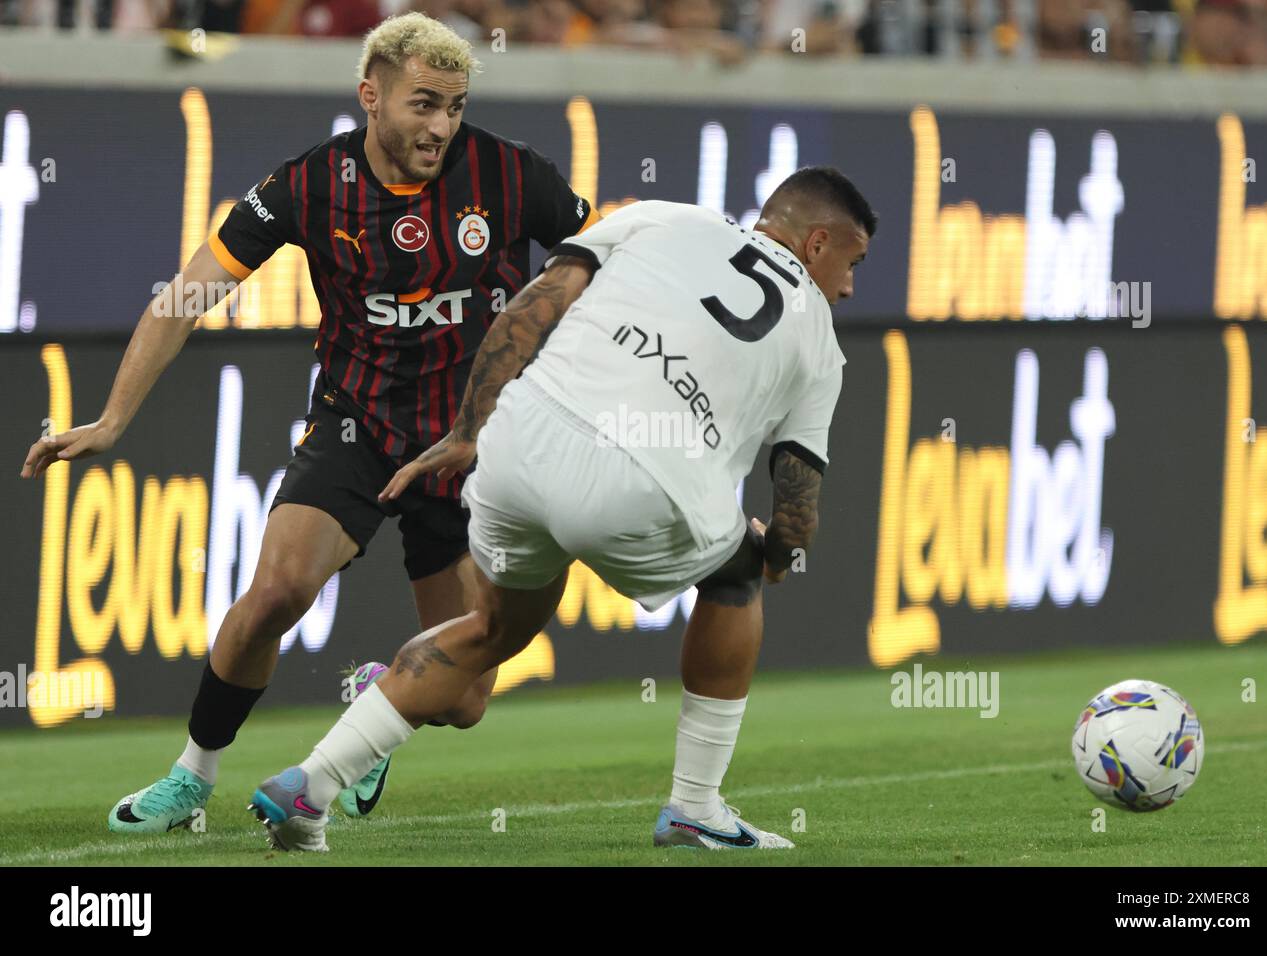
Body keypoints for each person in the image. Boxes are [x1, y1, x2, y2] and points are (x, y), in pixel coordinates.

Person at [19, 11, 598, 834]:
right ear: (370, 96)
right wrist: (112, 419)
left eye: (456, 106)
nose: (440, 126)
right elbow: (187, 296)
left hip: (471, 443)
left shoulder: (513, 175)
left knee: (466, 697)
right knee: (275, 595)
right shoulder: (308, 185)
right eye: (423, 104)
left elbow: (612, 258)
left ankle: (374, 701)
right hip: (356, 426)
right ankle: (191, 780)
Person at [247, 166, 876, 851]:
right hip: (641, 482)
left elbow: (536, 302)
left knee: (489, 631)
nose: (847, 286)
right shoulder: (818, 337)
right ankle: (696, 805)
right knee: (734, 576)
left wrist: (468, 430)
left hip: (520, 442)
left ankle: (309, 785)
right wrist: (777, 555)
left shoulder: (660, 215)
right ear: (817, 243)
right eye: (853, 262)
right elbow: (797, 494)